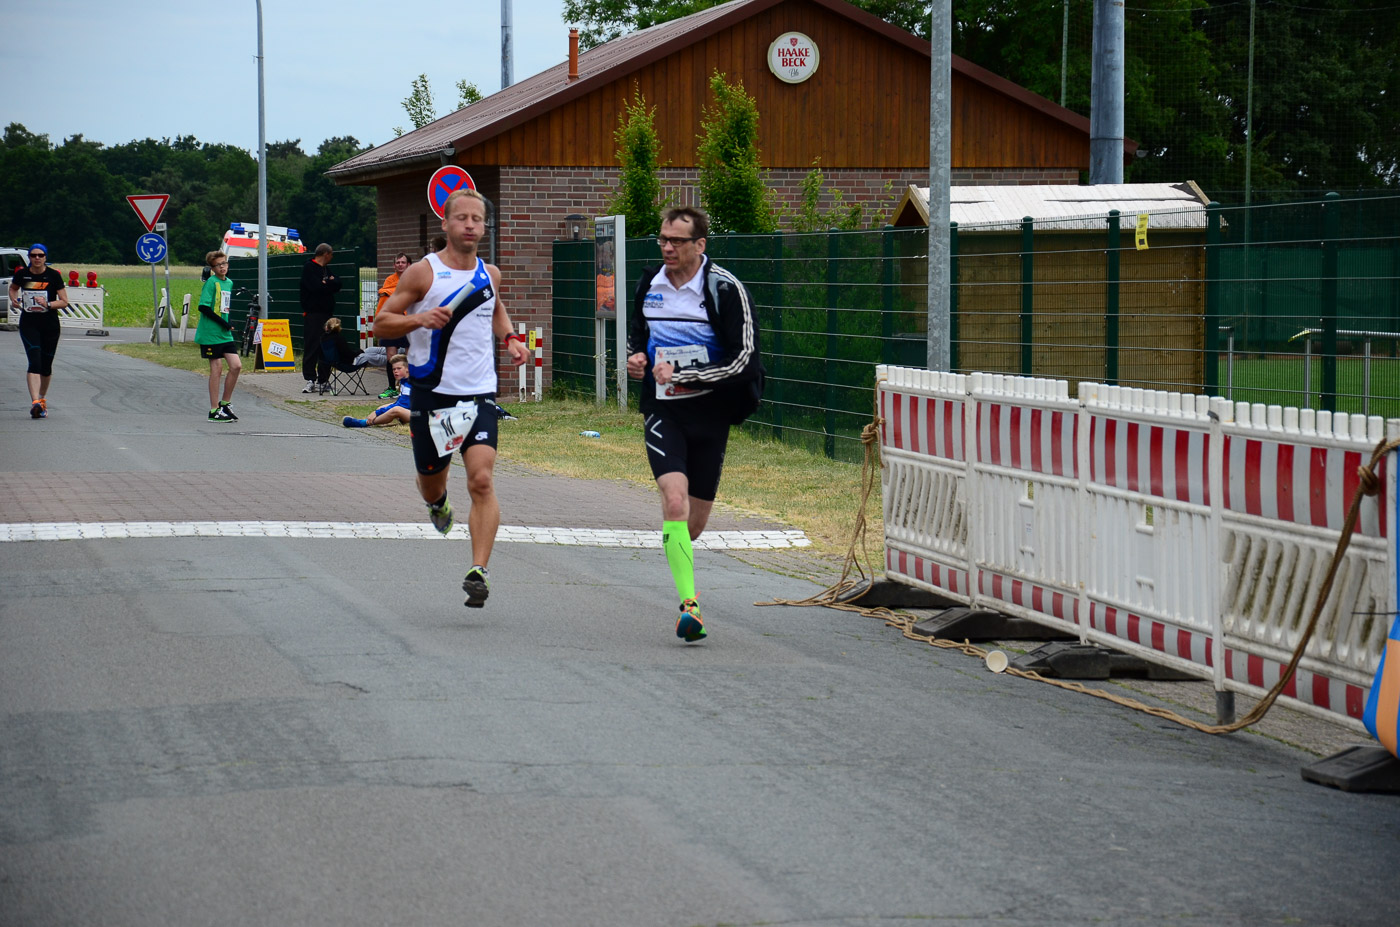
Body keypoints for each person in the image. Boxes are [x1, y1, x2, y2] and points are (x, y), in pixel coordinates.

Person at [375, 188, 529, 608]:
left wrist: (511, 339)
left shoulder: (489, 274)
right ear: (445, 224)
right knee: (432, 483)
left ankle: (479, 570)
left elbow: (494, 309)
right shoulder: (422, 274)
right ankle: (438, 503)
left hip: (478, 394)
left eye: (477, 219)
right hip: (432, 396)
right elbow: (382, 324)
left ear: (484, 225)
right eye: (462, 218)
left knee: (481, 479)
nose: (470, 225)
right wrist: (420, 319)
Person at [625, 206, 763, 643]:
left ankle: (681, 563)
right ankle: (690, 607)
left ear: (699, 245)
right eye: (663, 239)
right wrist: (637, 357)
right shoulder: (650, 282)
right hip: (663, 410)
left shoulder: (724, 288)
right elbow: (638, 333)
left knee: (694, 524)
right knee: (674, 500)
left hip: (711, 413)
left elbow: (744, 361)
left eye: (677, 241)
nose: (667, 247)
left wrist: (685, 375)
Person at [8, 243, 68, 419]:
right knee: (34, 361)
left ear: (45, 257)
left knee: (46, 366)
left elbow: (64, 301)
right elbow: (13, 288)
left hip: (50, 324)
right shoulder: (22, 274)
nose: (37, 258)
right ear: (29, 257)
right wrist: (14, 300)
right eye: (33, 255)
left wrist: (48, 304)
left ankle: (42, 399)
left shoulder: (53, 276)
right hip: (29, 323)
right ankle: (35, 402)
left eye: (40, 255)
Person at [195, 251, 243, 422]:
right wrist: (223, 323)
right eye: (218, 265)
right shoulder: (211, 282)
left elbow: (224, 307)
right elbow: (203, 307)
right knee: (217, 368)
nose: (222, 267)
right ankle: (214, 410)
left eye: (224, 263)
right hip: (210, 333)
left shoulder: (228, 282)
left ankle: (225, 403)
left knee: (236, 366)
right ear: (212, 268)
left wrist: (228, 321)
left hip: (224, 333)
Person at [299, 242, 342, 393]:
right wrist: (329, 283)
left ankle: (323, 379)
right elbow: (316, 287)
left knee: (327, 346)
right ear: (326, 254)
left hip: (327, 314)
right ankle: (310, 379)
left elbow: (338, 283)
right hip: (313, 314)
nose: (332, 257)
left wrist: (328, 282)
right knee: (312, 346)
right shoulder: (309, 267)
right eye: (331, 254)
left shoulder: (326, 269)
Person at [375, 252, 412, 397]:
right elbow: (385, 297)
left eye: (403, 262)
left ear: (409, 265)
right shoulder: (389, 280)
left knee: (411, 355)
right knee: (391, 356)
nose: (400, 265)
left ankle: (409, 386)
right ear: (394, 265)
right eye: (398, 262)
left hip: (408, 321)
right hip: (391, 322)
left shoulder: (414, 279)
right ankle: (392, 387)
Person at [343, 354, 411, 428]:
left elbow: (402, 405)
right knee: (382, 407)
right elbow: (400, 402)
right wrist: (379, 411)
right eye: (394, 369)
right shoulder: (404, 381)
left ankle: (364, 423)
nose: (395, 371)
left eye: (399, 368)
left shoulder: (410, 384)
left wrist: (377, 413)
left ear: (408, 369)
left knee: (396, 410)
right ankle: (370, 419)